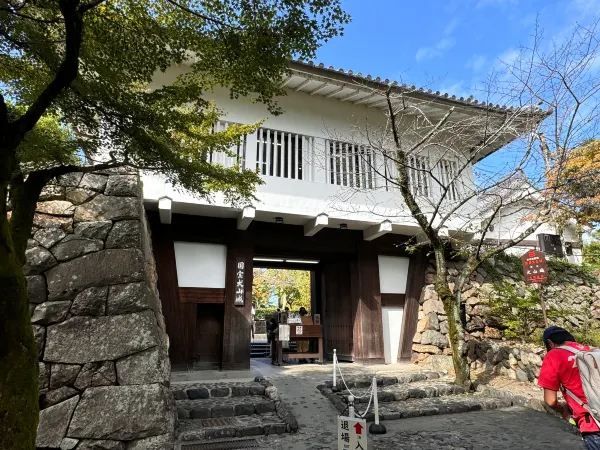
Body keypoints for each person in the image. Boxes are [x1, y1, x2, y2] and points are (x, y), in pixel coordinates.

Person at [538, 326, 600, 449]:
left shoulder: (553, 355)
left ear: (550, 343)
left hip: (593, 423)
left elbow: (550, 401)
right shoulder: (590, 351)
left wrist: (564, 411)